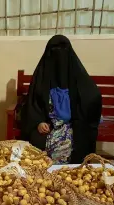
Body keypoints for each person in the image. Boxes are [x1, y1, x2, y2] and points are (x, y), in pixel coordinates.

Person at [20, 35, 102, 164]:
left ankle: (69, 175)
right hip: (48, 125)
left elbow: (92, 97)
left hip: (72, 126)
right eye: (54, 49)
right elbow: (33, 104)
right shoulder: (41, 78)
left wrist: (82, 118)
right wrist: (38, 122)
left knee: (80, 142)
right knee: (36, 142)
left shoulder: (77, 77)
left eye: (63, 49)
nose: (59, 54)